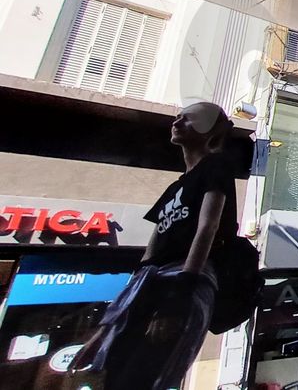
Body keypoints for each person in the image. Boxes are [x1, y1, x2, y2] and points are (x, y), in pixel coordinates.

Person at [71, 102, 239, 389]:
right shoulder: (175, 188)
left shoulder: (216, 166)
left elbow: (208, 227)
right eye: (178, 117)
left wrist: (184, 288)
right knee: (116, 369)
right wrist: (105, 330)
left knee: (148, 367)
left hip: (183, 278)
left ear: (206, 129)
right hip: (152, 280)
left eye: (188, 119)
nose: (177, 122)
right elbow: (154, 244)